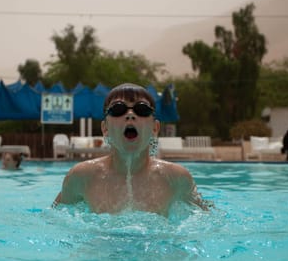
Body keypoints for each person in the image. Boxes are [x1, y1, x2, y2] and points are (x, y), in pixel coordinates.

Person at [54, 83, 208, 216]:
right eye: (118, 109)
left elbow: (208, 220)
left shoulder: (176, 178)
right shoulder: (81, 177)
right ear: (105, 128)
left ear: (155, 128)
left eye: (142, 109)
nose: (130, 115)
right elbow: (54, 219)